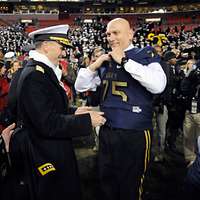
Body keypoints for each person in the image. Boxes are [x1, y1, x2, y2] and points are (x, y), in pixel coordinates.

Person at [6, 24, 106, 200]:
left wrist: (74, 112)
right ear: (46, 46)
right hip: (44, 150)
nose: (63, 52)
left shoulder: (39, 71)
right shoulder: (35, 76)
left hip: (47, 146)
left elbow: (47, 107)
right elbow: (46, 123)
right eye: (60, 47)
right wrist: (85, 121)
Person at [75, 18, 166, 200]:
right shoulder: (105, 60)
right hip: (108, 131)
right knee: (107, 180)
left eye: (116, 32)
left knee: (131, 183)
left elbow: (158, 85)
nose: (110, 37)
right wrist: (95, 63)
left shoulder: (145, 54)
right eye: (108, 34)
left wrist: (125, 61)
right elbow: (80, 85)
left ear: (131, 33)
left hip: (135, 132)